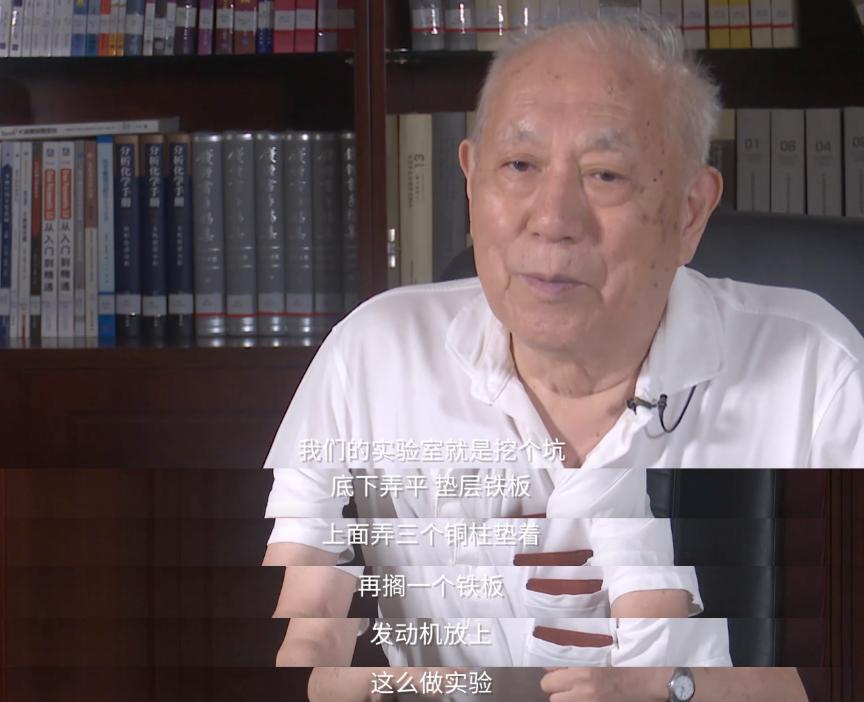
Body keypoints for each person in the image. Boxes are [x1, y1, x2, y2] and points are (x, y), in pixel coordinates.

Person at [261, 14, 856, 700]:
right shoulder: (373, 352)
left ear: (690, 212)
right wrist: (328, 676)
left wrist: (673, 687)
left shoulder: (817, 375)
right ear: (469, 181)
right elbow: (307, 610)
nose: (552, 219)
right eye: (519, 165)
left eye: (605, 174)